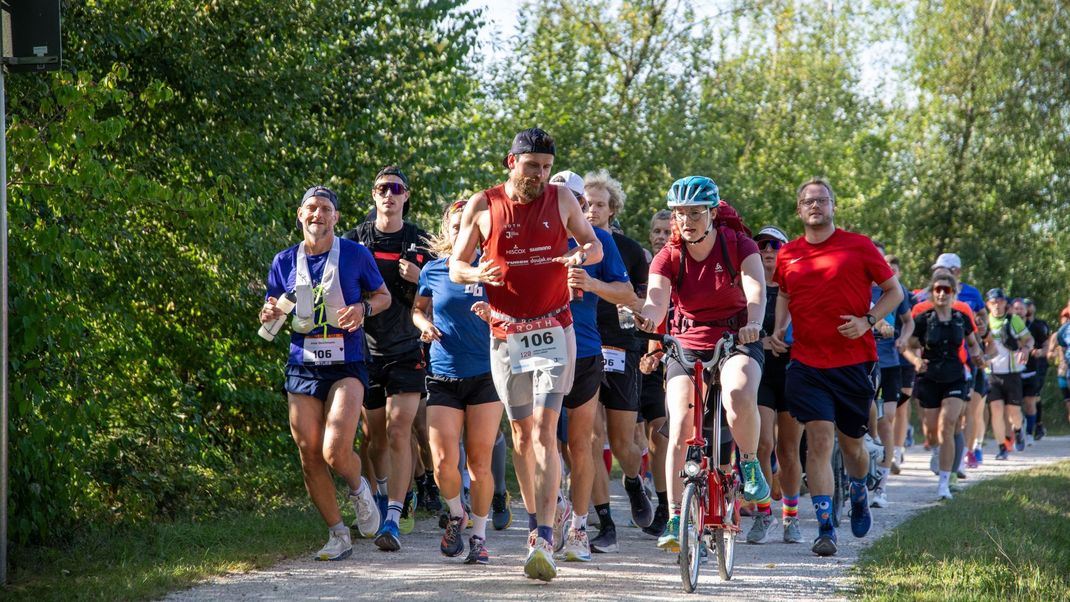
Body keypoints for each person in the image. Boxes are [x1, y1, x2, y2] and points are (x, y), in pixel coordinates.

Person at [449, 128, 603, 582]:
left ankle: (541, 538)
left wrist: (583, 256)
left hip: (555, 327)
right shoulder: (482, 204)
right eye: (531, 165)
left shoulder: (561, 200)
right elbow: (456, 265)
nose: (539, 174)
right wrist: (478, 270)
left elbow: (591, 243)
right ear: (510, 161)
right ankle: (541, 511)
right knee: (519, 435)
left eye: (546, 167)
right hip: (506, 333)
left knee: (544, 430)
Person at [634, 176, 769, 552]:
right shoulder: (669, 255)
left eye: (695, 212)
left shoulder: (738, 244)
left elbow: (755, 290)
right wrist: (645, 319)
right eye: (680, 213)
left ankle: (748, 462)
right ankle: (677, 516)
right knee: (679, 424)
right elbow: (656, 300)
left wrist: (754, 323)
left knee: (739, 390)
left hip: (736, 336)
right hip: (687, 342)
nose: (687, 220)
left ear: (712, 213)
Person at [771, 177, 903, 557]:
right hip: (807, 362)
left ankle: (860, 488)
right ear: (799, 209)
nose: (815, 206)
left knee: (852, 446)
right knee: (819, 438)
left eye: (822, 200)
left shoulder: (858, 246)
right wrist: (780, 329)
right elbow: (784, 293)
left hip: (854, 361)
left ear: (832, 206)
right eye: (808, 201)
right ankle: (826, 527)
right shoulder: (788, 254)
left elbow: (895, 291)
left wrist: (868, 318)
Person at [260, 185, 390, 561]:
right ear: (300, 215)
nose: (318, 215)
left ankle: (360, 489)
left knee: (334, 449)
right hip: (303, 364)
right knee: (309, 454)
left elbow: (383, 297)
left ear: (335, 217)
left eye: (326, 209)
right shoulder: (284, 260)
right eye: (311, 208)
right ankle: (338, 534)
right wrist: (269, 314)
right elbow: (274, 307)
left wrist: (363, 310)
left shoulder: (355, 254)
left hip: (346, 364)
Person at [540, 169, 639, 562]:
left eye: (575, 200)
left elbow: (628, 293)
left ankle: (580, 527)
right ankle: (548, 520)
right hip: (534, 351)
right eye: (556, 197)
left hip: (583, 352)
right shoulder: (527, 235)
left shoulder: (597, 242)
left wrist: (590, 283)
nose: (566, 205)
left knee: (583, 443)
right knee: (541, 441)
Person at [342, 166, 432, 551]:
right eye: (382, 188)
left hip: (408, 348)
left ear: (406, 196)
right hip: (365, 351)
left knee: (399, 431)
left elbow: (444, 288)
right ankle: (379, 497)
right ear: (374, 195)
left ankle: (393, 515)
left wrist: (420, 277)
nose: (389, 195)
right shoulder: (355, 240)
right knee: (374, 438)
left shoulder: (420, 240)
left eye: (396, 189)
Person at [413, 199, 504, 565]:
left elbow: (518, 312)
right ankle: (456, 514)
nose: (462, 231)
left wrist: (494, 314)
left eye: (469, 225)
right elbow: (418, 309)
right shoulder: (434, 270)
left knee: (479, 462)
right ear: (449, 230)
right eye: (455, 225)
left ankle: (479, 537)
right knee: (442, 462)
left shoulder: (495, 269)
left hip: (486, 373)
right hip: (443, 373)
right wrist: (424, 325)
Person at [577, 169, 655, 554]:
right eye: (585, 204)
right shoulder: (569, 245)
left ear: (612, 210)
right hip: (582, 347)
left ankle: (633, 480)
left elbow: (640, 300)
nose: (591, 211)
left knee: (624, 440)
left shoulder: (627, 249)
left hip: (621, 345)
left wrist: (634, 308)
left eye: (599, 205)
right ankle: (605, 521)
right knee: (592, 436)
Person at [901, 273, 984, 499]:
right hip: (929, 377)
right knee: (931, 431)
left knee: (947, 424)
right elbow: (905, 346)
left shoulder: (961, 318)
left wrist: (978, 357)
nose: (941, 293)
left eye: (946, 290)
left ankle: (944, 484)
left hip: (956, 376)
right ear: (932, 291)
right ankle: (937, 450)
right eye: (937, 289)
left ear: (953, 293)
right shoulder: (923, 319)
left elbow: (973, 345)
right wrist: (916, 360)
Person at [748, 225, 805, 544]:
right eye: (761, 245)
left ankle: (791, 517)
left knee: (788, 450)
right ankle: (762, 512)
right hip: (759, 371)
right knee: (760, 446)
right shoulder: (749, 287)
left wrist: (788, 342)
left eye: (775, 244)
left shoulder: (795, 286)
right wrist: (763, 341)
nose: (768, 250)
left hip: (794, 371)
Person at [867, 253, 914, 509]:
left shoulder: (899, 290)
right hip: (862, 362)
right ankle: (861, 472)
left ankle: (881, 487)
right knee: (863, 420)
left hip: (889, 364)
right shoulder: (860, 285)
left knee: (886, 421)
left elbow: (909, 323)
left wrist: (903, 338)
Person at [637, 209, 673, 539]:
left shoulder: (683, 262)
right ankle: (664, 503)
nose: (661, 236)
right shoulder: (649, 266)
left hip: (689, 357)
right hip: (655, 359)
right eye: (657, 231)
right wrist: (651, 353)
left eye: (667, 231)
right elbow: (651, 318)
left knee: (668, 434)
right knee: (656, 439)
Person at [983, 288, 1034, 460]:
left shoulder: (1013, 320)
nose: (996, 305)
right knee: (996, 409)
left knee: (1013, 412)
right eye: (993, 302)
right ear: (988, 305)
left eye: (1000, 301)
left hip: (1012, 373)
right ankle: (1002, 447)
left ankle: (1019, 429)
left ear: (1005, 303)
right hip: (992, 373)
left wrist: (1026, 349)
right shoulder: (985, 321)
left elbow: (1029, 339)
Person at [1021, 298, 1051, 442]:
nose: (1027, 308)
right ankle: (1022, 426)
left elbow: (1047, 343)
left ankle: (1035, 426)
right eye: (1024, 305)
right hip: (1019, 367)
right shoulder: (1015, 324)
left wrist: (1040, 352)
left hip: (1038, 365)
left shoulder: (1039, 325)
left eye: (1029, 304)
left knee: (1034, 397)